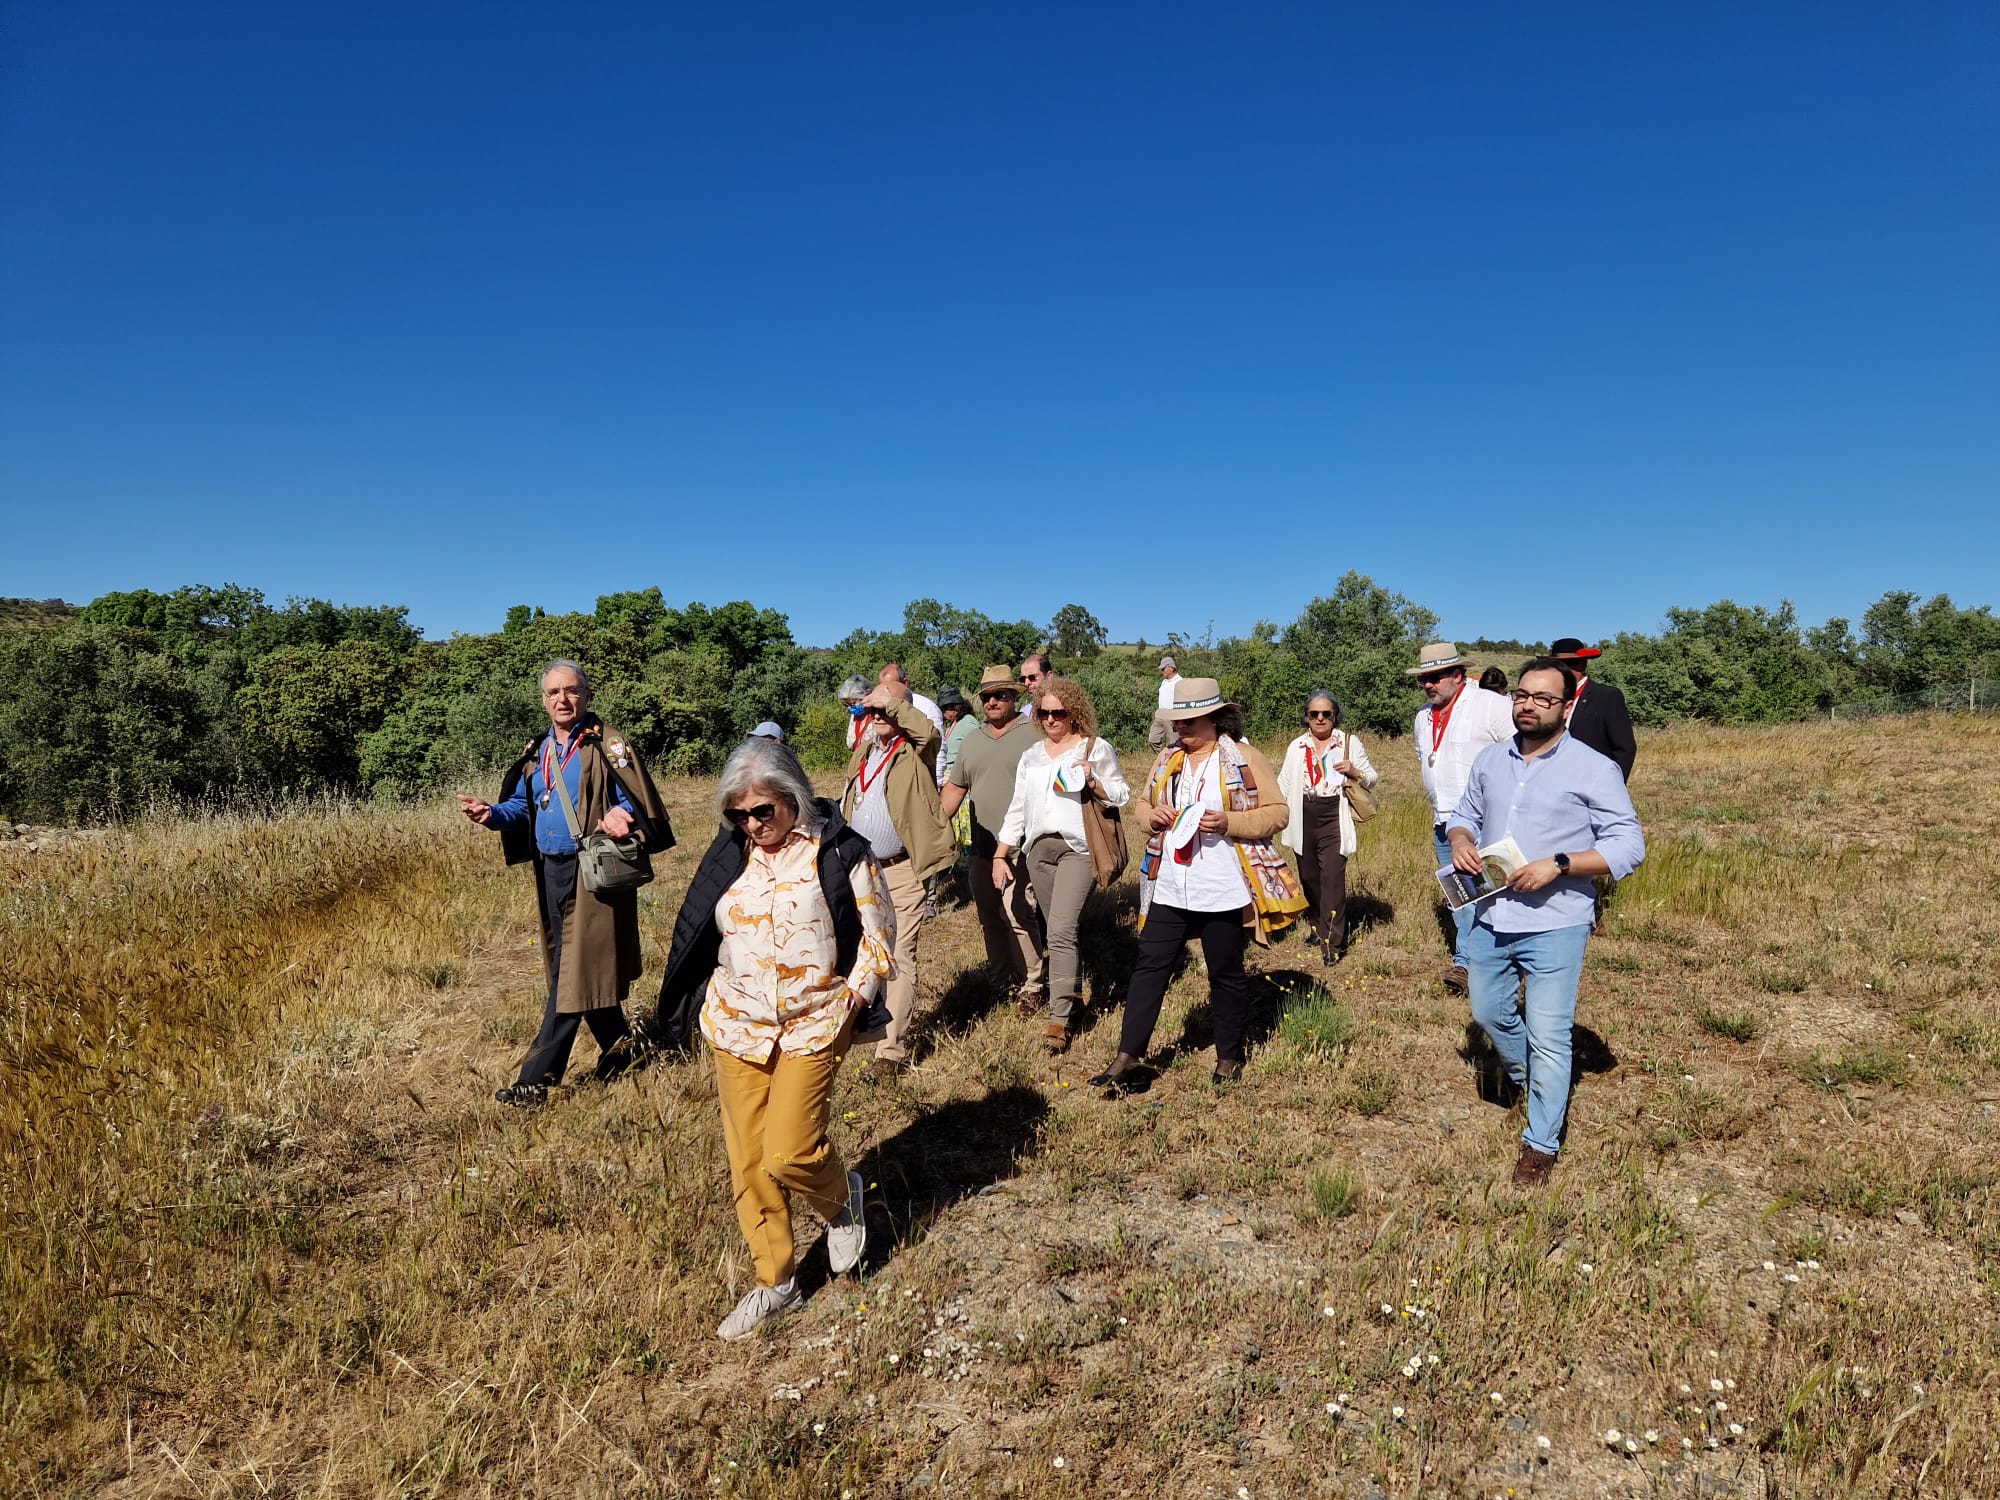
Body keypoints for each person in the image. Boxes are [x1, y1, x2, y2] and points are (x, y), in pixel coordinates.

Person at [655, 737, 890, 1338]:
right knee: (750, 1164)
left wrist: (857, 995)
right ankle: (776, 1282)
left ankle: (840, 1202)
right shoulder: (728, 855)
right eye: (739, 814)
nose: (752, 824)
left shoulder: (838, 851)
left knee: (788, 1149)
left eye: (764, 811)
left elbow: (878, 930)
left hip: (815, 1022)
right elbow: (696, 930)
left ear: (793, 799)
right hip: (736, 1025)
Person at [1447, 657, 1645, 1186]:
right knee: (1489, 1015)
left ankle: (1541, 1142)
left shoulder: (1593, 767)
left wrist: (1559, 864)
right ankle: (1533, 1080)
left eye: (1543, 698)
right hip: (1490, 914)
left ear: (1567, 705)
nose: (1529, 705)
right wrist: (1462, 840)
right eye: (1521, 695)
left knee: (1550, 1034)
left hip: (1557, 921)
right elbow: (1464, 814)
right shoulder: (1491, 760)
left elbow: (1628, 845)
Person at [457, 659, 674, 1106]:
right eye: (554, 692)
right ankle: (626, 1053)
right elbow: (521, 805)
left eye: (572, 691)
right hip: (548, 870)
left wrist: (623, 814)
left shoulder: (608, 745)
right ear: (543, 700)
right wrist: (490, 814)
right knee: (576, 965)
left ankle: (535, 1080)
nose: (563, 699)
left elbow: (633, 799)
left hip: (593, 872)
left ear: (586, 695)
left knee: (568, 974)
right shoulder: (537, 750)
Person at [1092, 679, 1305, 1091]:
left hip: (1222, 884)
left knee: (1225, 972)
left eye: (1188, 720)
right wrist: (1151, 818)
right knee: (1150, 967)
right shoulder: (1167, 759)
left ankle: (1228, 1056)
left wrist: (1231, 822)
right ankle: (1127, 1055)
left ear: (1215, 718)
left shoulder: (1243, 757)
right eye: (1176, 721)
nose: (1180, 729)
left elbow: (1278, 812)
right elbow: (1141, 805)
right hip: (1169, 882)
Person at [993, 675, 1130, 1053]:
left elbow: (1121, 795)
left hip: (1078, 849)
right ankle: (1074, 999)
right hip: (1039, 851)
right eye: (1044, 713)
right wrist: (1001, 853)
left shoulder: (1094, 748)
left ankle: (1058, 1019)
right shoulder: (1032, 756)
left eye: (1059, 712)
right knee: (1058, 930)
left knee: (1061, 931)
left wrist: (1093, 780)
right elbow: (1018, 808)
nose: (1051, 719)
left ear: (1075, 713)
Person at [841, 682, 951, 1074]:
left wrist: (891, 703)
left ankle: (890, 1052)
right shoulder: (865, 751)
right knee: (862, 952)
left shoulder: (916, 751)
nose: (880, 716)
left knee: (900, 955)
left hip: (902, 869)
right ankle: (857, 1027)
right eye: (876, 710)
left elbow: (929, 732)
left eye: (889, 709)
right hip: (862, 871)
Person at [940, 666, 1048, 1018]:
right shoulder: (973, 739)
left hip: (1021, 846)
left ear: (1014, 697)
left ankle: (1033, 984)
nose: (993, 701)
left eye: (1001, 694)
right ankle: (1002, 979)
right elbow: (956, 788)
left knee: (1018, 912)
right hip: (982, 845)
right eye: (987, 696)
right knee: (989, 915)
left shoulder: (1034, 733)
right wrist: (932, 827)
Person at [1409, 642, 1515, 994]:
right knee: (1461, 897)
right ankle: (1467, 962)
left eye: (1436, 677)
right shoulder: (1423, 717)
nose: (1429, 684)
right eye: (1424, 678)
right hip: (1444, 820)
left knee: (1495, 893)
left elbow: (1522, 752)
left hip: (1486, 819)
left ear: (1458, 674)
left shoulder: (1492, 705)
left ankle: (1495, 964)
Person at [1276, 691, 1379, 964]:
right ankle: (1317, 925)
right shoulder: (1296, 746)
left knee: (1332, 878)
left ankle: (1332, 945)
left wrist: (1355, 772)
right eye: (1314, 714)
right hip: (1303, 813)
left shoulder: (1349, 743)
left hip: (1335, 813)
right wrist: (1273, 814)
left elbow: (1372, 777)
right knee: (1309, 877)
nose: (1320, 719)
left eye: (1326, 714)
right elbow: (1284, 784)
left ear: (1335, 716)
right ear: (1307, 717)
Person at [1549, 637, 1637, 781]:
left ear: (1582, 665)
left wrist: (1613, 785)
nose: (1561, 670)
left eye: (1569, 664)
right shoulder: (1549, 697)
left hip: (1591, 782)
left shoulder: (1606, 696)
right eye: (1556, 665)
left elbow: (1624, 749)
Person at [1149, 655, 1182, 749]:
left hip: (1172, 717)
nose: (1162, 671)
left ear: (1171, 668)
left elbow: (1180, 700)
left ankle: (1173, 761)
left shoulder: (1179, 682)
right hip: (1160, 715)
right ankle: (1164, 758)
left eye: (1163, 668)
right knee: (1153, 739)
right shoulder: (1164, 682)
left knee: (1174, 743)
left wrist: (1176, 718)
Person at [838, 675, 872, 751]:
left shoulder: (879, 716)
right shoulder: (855, 716)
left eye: (853, 703)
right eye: (847, 704)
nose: (850, 708)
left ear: (866, 695)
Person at [1018, 653, 1052, 719]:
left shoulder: (1065, 707)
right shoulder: (1024, 713)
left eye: (1032, 677)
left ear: (1049, 676)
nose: (1026, 683)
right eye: (1023, 679)